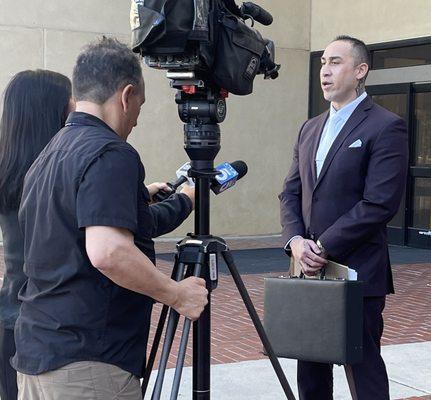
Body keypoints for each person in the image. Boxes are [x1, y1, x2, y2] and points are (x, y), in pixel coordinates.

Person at [12, 37, 208, 400]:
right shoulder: (111, 152)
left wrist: (136, 199)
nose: (137, 118)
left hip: (39, 352)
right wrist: (177, 295)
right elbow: (108, 251)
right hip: (88, 366)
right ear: (126, 95)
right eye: (140, 105)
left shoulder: (49, 154)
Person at [279, 35, 408, 400]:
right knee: (311, 370)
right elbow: (290, 192)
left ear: (361, 70)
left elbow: (380, 202)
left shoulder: (386, 126)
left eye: (335, 62)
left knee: (363, 370)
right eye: (322, 62)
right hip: (308, 271)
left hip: (357, 273)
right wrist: (296, 242)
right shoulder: (309, 128)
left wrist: (323, 245)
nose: (325, 70)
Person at [0, 70, 74, 400]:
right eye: (68, 99)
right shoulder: (59, 170)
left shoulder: (8, 169)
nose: (75, 105)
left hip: (10, 315)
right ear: (51, 111)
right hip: (51, 323)